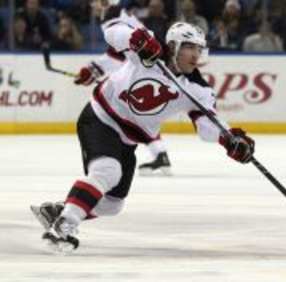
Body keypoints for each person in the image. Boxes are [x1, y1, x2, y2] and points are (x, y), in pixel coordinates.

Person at [30, 1, 255, 252]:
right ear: (174, 46)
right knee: (107, 171)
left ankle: (60, 210)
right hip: (101, 117)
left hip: (128, 139)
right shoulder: (149, 49)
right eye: (190, 47)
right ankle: (63, 226)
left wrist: (228, 139)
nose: (195, 55)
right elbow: (112, 32)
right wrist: (134, 38)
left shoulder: (196, 88)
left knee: (113, 204)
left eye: (199, 49)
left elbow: (206, 124)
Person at [73, 0, 172, 176]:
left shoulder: (112, 17)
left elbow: (116, 56)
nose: (92, 5)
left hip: (144, 67)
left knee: (126, 111)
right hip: (150, 66)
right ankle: (160, 154)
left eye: (96, 2)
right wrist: (94, 70)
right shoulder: (120, 14)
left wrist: (92, 69)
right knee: (137, 115)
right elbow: (120, 53)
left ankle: (146, 155)